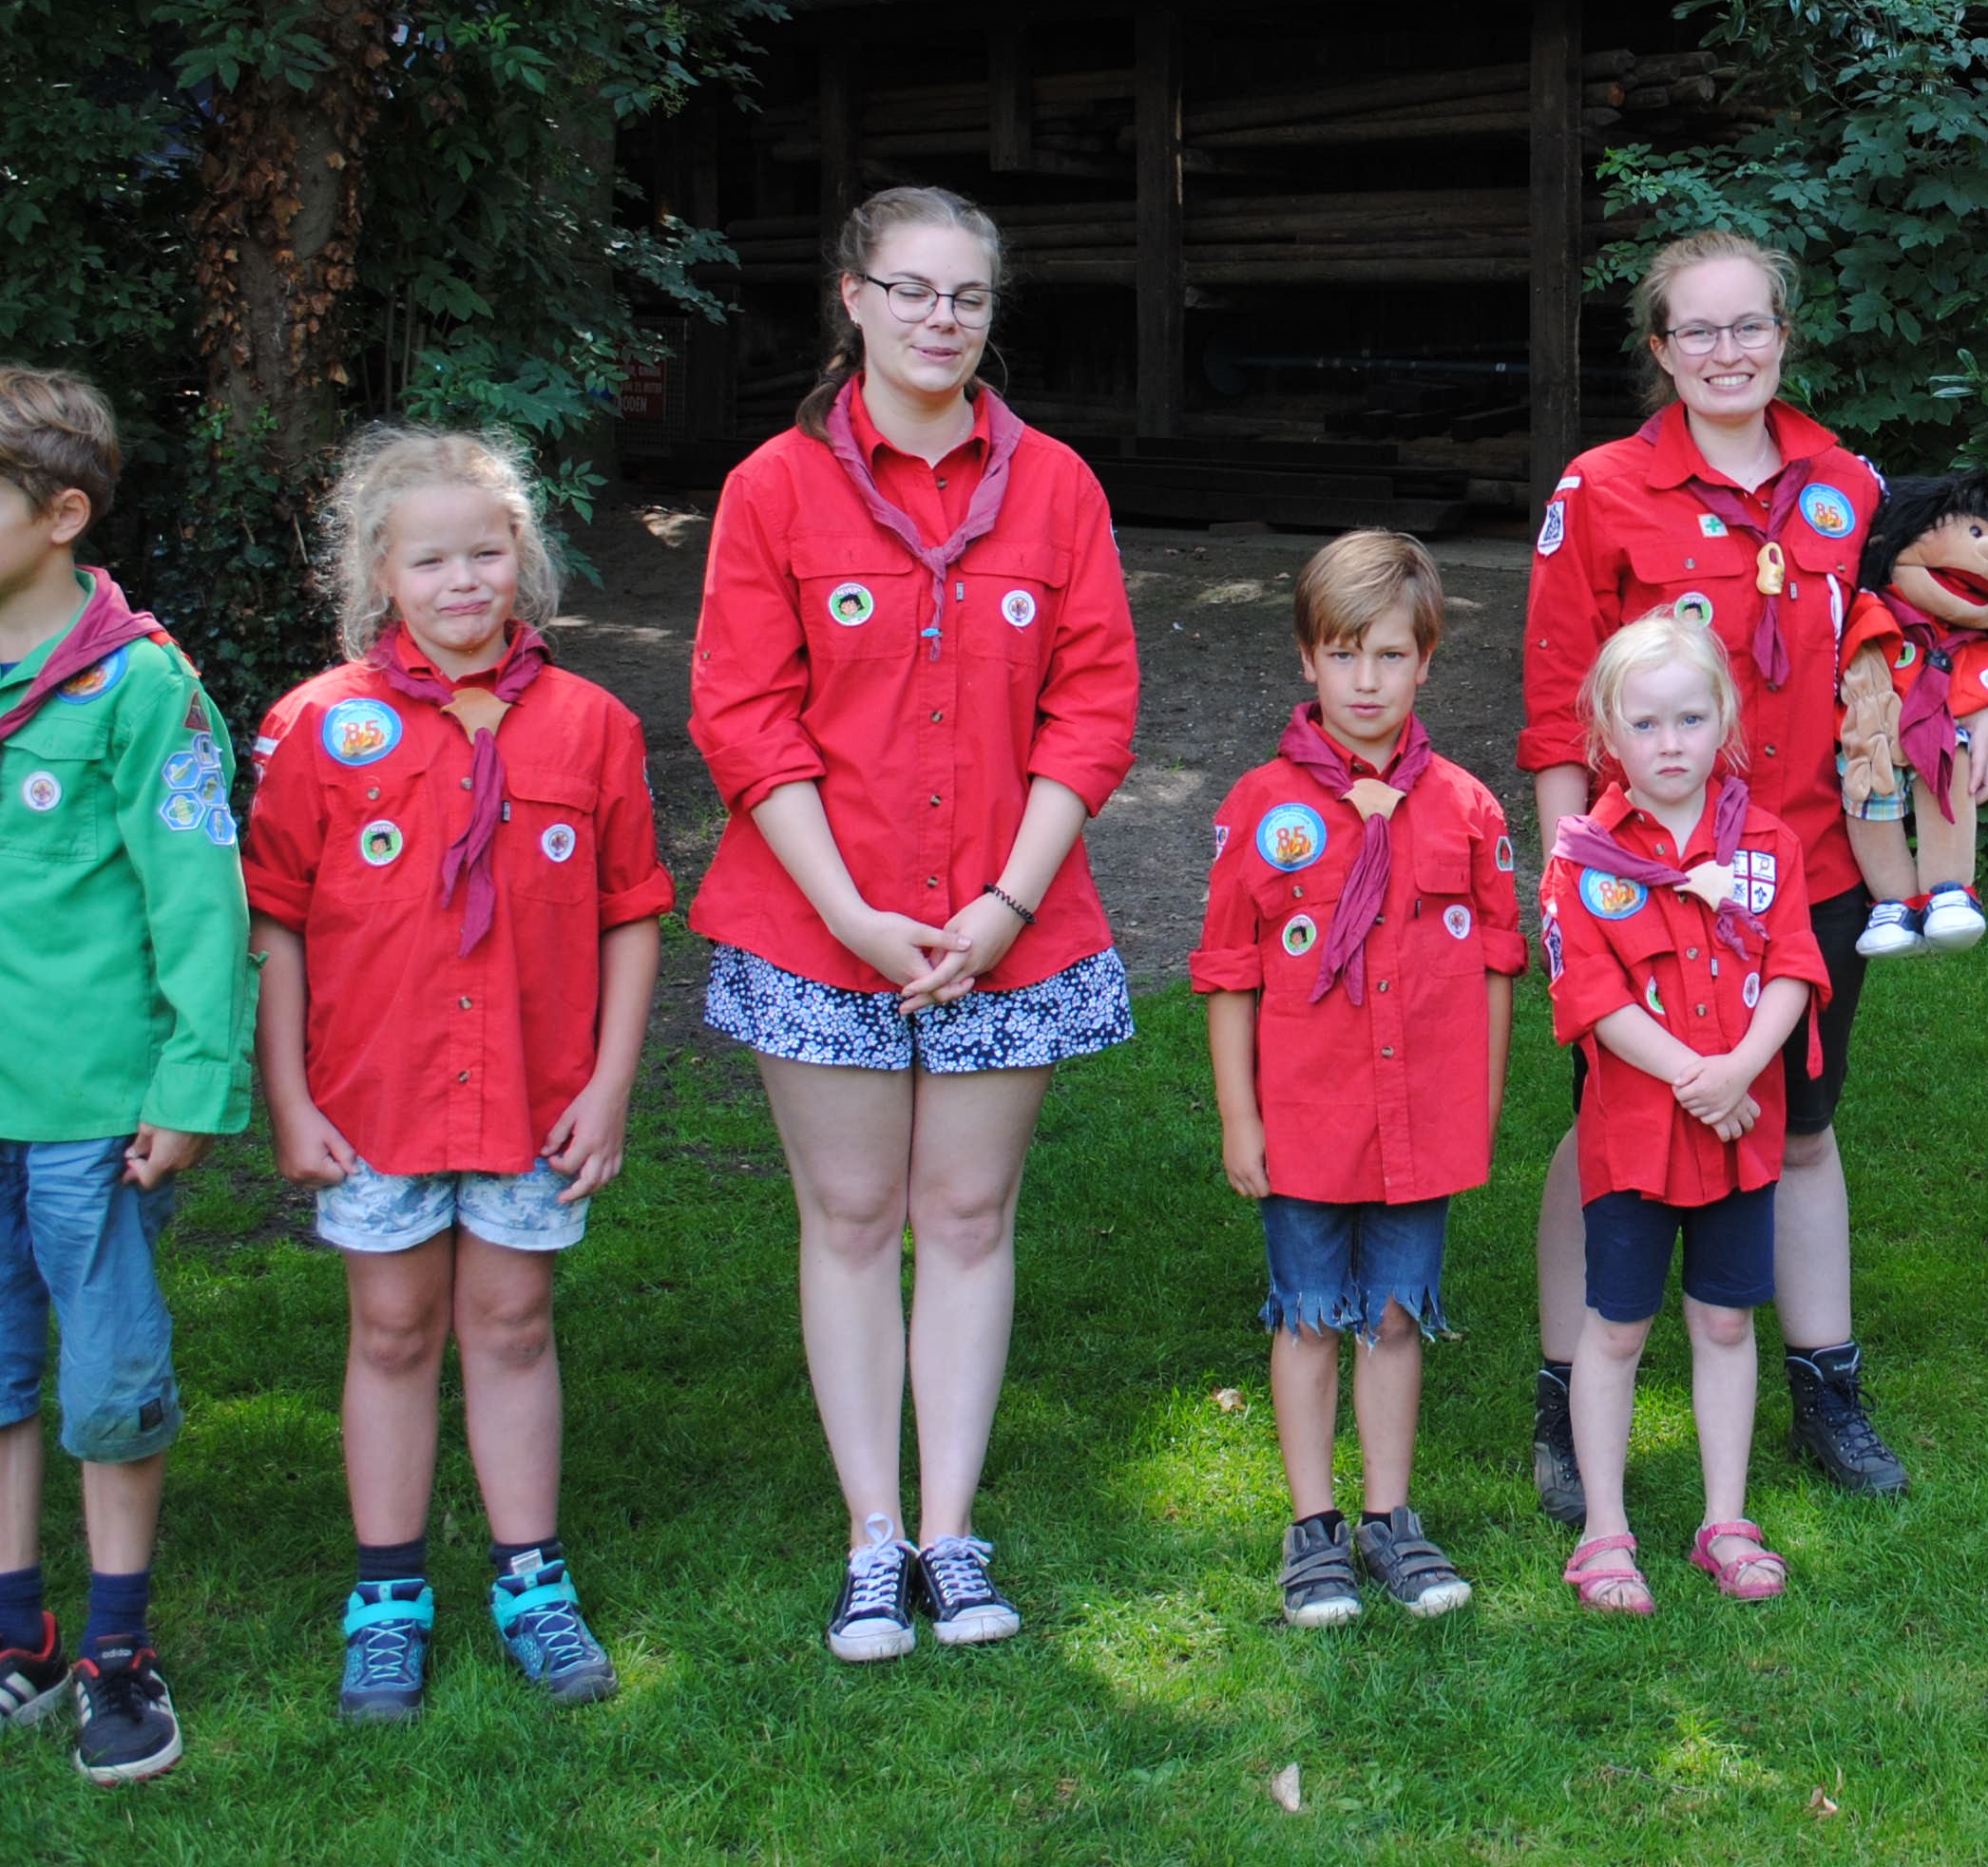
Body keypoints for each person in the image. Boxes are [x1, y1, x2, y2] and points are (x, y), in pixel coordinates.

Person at [688, 185, 1141, 1662]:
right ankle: (871, 1536)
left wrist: (1006, 904)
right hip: (820, 920)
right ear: (854, 299)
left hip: (1011, 921)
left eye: (968, 296)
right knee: (851, 1218)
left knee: (965, 1217)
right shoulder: (774, 489)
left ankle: (950, 1532)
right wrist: (852, 915)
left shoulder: (1056, 488)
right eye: (914, 290)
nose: (942, 319)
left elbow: (1094, 709)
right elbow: (744, 719)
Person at [242, 429, 669, 1721]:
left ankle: (532, 1581)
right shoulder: (315, 728)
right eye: (429, 560)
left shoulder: (591, 728)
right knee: (390, 1329)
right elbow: (276, 923)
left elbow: (630, 914)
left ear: (522, 558)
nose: (462, 580)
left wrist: (608, 1087)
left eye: (486, 552)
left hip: (535, 1099)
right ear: (379, 573)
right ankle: (387, 1596)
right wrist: (290, 1098)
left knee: (513, 1323)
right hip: (375, 1099)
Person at [1518, 230, 1902, 1511]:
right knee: (1608, 1126)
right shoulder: (1602, 488)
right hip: (1635, 883)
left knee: (1802, 1124)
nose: (1727, 352)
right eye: (1699, 330)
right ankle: (1567, 1395)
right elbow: (1556, 706)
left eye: (1749, 326)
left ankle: (1826, 1391)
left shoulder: (1847, 486)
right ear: (1660, 349)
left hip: (1804, 868)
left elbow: (1894, 663)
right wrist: (1567, 881)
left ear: (1784, 335)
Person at [1195, 531, 1520, 1629]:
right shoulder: (1260, 807)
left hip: (1419, 1119)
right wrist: (1239, 1117)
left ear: (1425, 660)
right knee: (1306, 1315)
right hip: (1307, 1116)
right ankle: (1312, 1527)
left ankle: (1388, 1518)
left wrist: (1477, 1106)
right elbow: (1229, 973)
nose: (1366, 681)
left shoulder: (1467, 809)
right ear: (1307, 659)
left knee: (1392, 1315)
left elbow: (1495, 968)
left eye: (1388, 655)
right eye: (1343, 654)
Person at [0, 367, 252, 1785]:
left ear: (61, 516)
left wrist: (192, 1085)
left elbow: (201, 900)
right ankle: (19, 1637)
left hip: (93, 1114)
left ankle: (116, 1651)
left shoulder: (139, 684)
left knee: (107, 1381)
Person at [1539, 614, 1824, 1613]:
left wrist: (1740, 1069)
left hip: (1740, 1133)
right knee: (1615, 1330)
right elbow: (1591, 997)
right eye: (1645, 723)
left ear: (1726, 722)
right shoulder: (1583, 860)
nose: (1669, 743)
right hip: (1637, 1140)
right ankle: (1604, 1532)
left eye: (1690, 719)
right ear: (1606, 736)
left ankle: (1725, 1521)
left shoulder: (1769, 847)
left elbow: (1792, 966)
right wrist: (1695, 1076)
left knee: (1725, 1322)